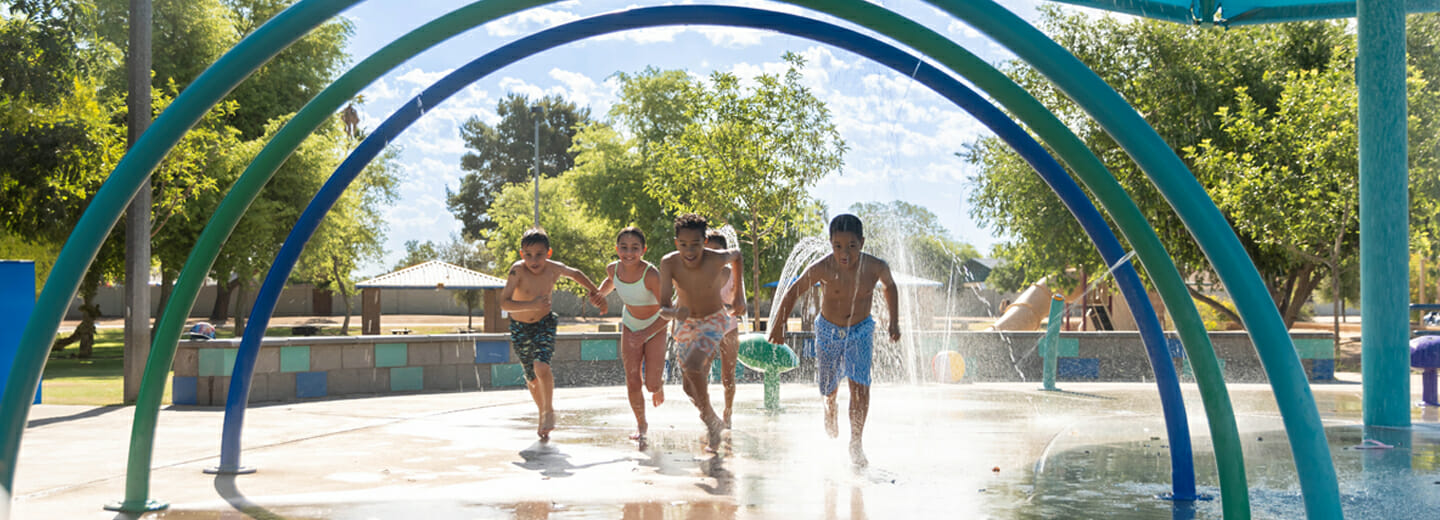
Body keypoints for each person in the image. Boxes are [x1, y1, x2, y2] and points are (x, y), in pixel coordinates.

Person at [768, 214, 900, 467]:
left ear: (861, 242)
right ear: (830, 244)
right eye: (838, 246)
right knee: (828, 387)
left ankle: (856, 443)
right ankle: (830, 407)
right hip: (828, 331)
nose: (845, 253)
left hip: (861, 330)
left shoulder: (875, 266)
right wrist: (778, 324)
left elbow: (890, 286)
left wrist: (893, 321)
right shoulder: (823, 267)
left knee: (860, 386)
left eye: (851, 246)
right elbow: (794, 289)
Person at [500, 227, 605, 441]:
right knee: (531, 377)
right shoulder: (517, 271)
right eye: (528, 255)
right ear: (521, 254)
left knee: (541, 366)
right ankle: (542, 413)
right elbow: (504, 303)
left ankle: (548, 411)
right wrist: (531, 303)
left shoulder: (553, 269)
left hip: (544, 323)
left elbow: (575, 274)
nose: (534, 260)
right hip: (520, 328)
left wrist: (596, 292)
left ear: (548, 253)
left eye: (539, 254)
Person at [659, 214, 746, 452]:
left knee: (693, 365)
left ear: (704, 242)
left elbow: (737, 256)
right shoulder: (669, 263)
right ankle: (713, 420)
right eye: (684, 244)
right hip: (686, 323)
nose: (690, 250)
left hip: (714, 319)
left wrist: (739, 295)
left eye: (695, 244)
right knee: (689, 387)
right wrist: (675, 314)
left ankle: (710, 422)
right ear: (676, 242)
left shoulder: (716, 259)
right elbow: (663, 307)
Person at [593, 227, 668, 444]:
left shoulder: (651, 274)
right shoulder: (612, 269)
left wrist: (645, 332)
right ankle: (641, 424)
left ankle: (658, 384)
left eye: (634, 248)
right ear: (617, 249)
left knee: (651, 385)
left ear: (643, 249)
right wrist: (599, 294)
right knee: (633, 379)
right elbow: (611, 283)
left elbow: (668, 312)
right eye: (624, 247)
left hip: (656, 325)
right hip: (630, 324)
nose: (628, 252)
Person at [705, 229, 746, 428]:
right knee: (700, 373)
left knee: (728, 376)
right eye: (708, 252)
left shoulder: (732, 274)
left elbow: (741, 307)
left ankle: (728, 412)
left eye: (717, 253)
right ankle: (706, 412)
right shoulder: (699, 275)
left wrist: (726, 308)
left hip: (728, 327)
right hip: (705, 328)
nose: (712, 257)